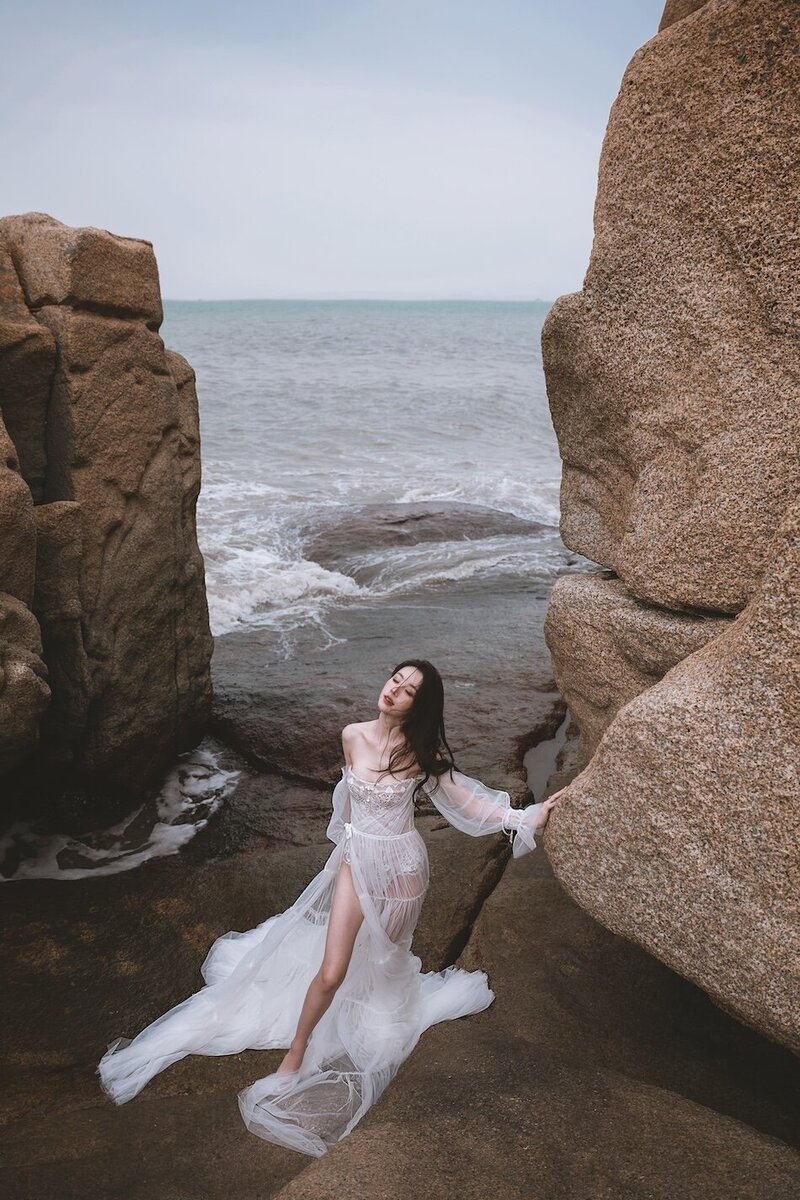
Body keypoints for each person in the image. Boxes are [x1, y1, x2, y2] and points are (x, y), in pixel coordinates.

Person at [97, 659, 563, 1156]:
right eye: (395, 680)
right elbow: (346, 800)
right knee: (331, 969)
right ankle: (295, 1056)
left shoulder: (422, 753)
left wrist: (523, 816)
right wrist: (342, 848)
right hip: (356, 862)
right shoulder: (353, 735)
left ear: (418, 706)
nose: (394, 692)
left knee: (385, 964)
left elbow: (468, 803)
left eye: (407, 691)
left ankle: (384, 1014)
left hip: (403, 870)